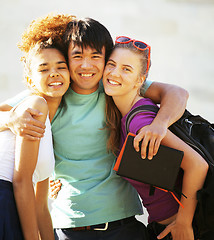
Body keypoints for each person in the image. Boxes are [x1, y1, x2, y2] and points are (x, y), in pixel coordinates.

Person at [0, 17, 189, 240]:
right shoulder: (53, 92)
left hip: (123, 225)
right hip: (69, 228)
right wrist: (11, 118)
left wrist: (159, 125)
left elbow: (177, 93)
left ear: (106, 60)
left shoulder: (112, 85)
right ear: (67, 59)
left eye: (95, 57)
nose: (86, 65)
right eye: (77, 56)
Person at [103, 36, 208, 240]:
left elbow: (197, 166)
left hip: (184, 229)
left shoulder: (140, 121)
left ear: (140, 80)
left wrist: (184, 224)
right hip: (163, 226)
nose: (115, 73)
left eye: (126, 69)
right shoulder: (126, 114)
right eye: (111, 64)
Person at [0, 13, 72, 240]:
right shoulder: (35, 104)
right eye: (43, 69)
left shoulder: (51, 125)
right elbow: (21, 182)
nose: (54, 73)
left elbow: (41, 206)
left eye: (61, 66)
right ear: (30, 80)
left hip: (12, 201)